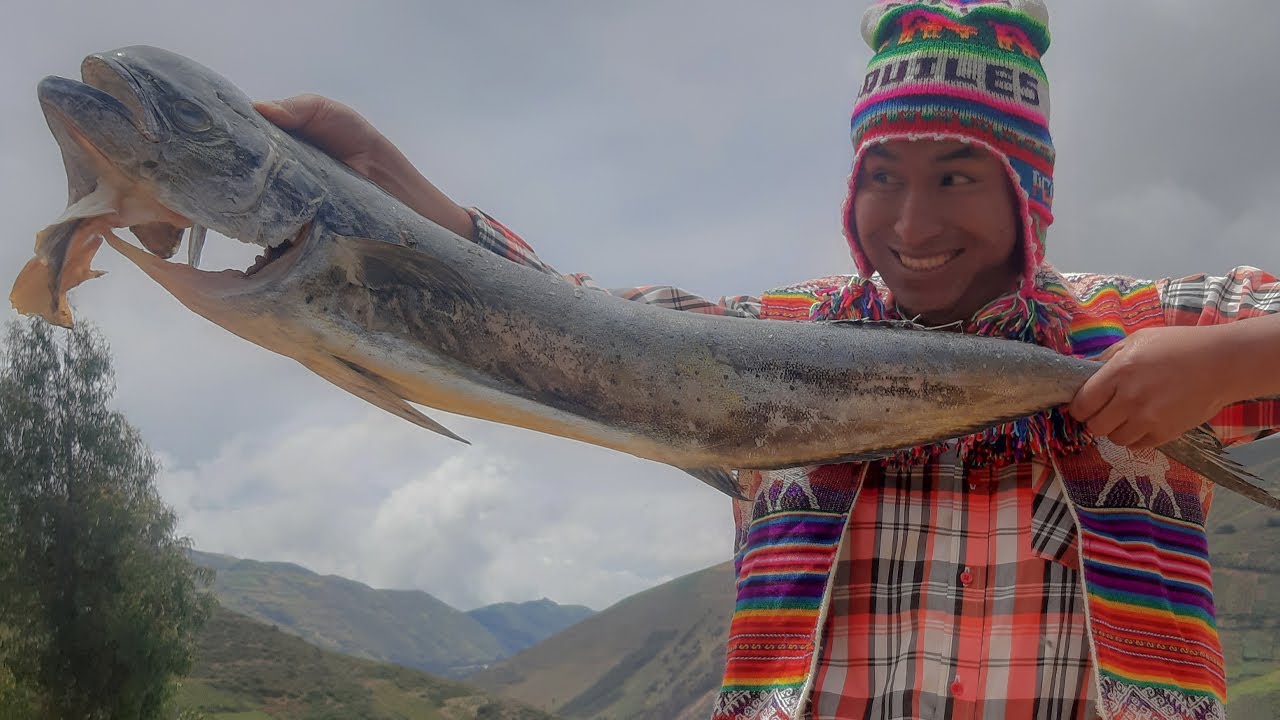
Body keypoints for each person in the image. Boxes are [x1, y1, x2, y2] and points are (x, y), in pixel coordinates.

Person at [255, 1, 1280, 718]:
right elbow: (573, 326)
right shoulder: (775, 338)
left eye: (958, 175)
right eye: (881, 175)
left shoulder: (1147, 329)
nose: (911, 222)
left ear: (1027, 189)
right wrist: (389, 180)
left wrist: (1225, 359)